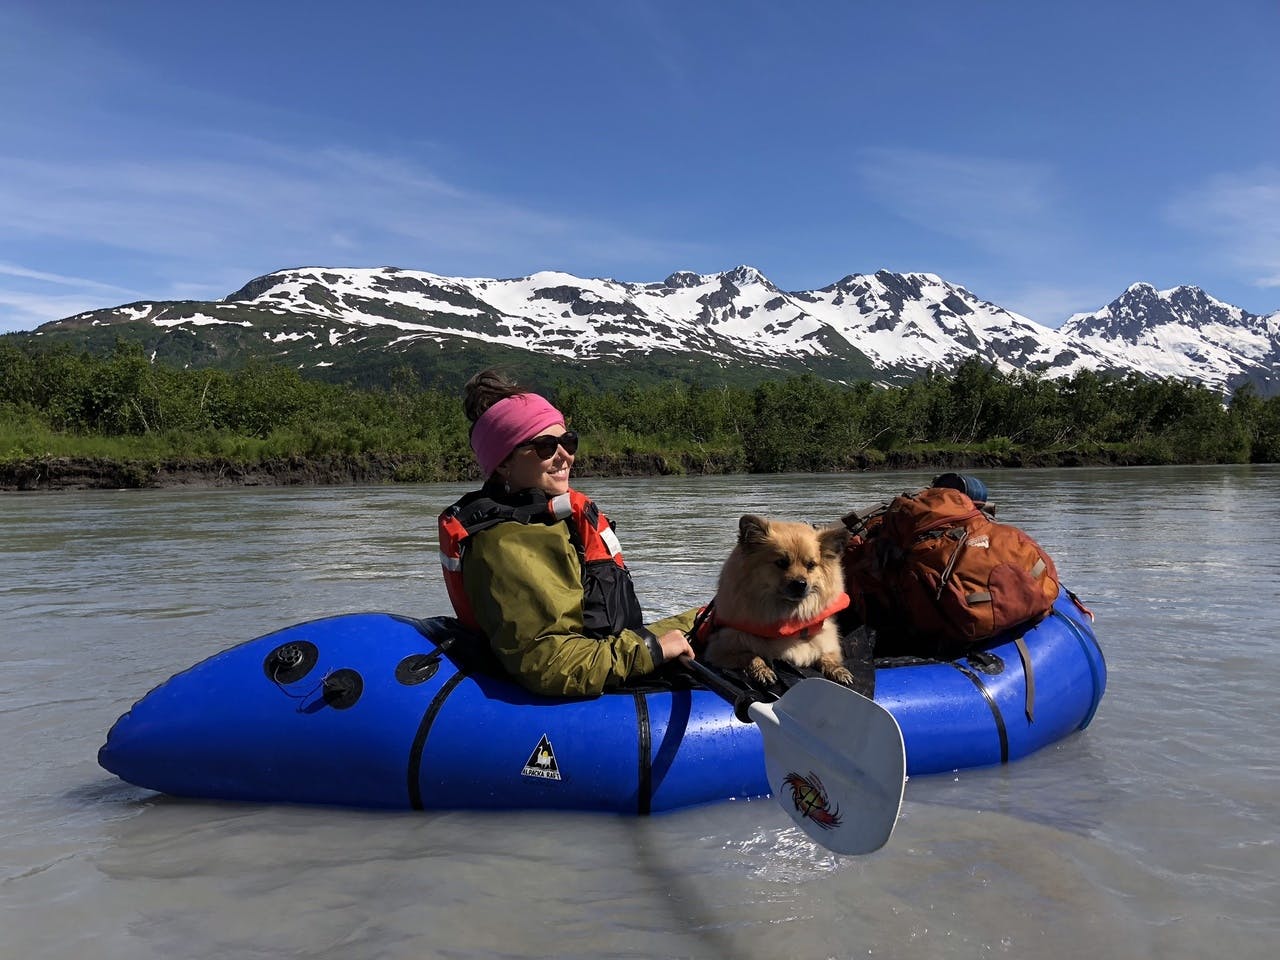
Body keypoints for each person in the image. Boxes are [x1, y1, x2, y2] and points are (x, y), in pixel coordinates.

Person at [438, 369, 696, 697]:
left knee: (720, 618)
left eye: (567, 441)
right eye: (546, 447)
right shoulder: (504, 543)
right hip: (585, 684)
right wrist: (651, 650)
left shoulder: (549, 519)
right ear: (504, 463)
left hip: (608, 658)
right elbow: (550, 664)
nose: (565, 456)